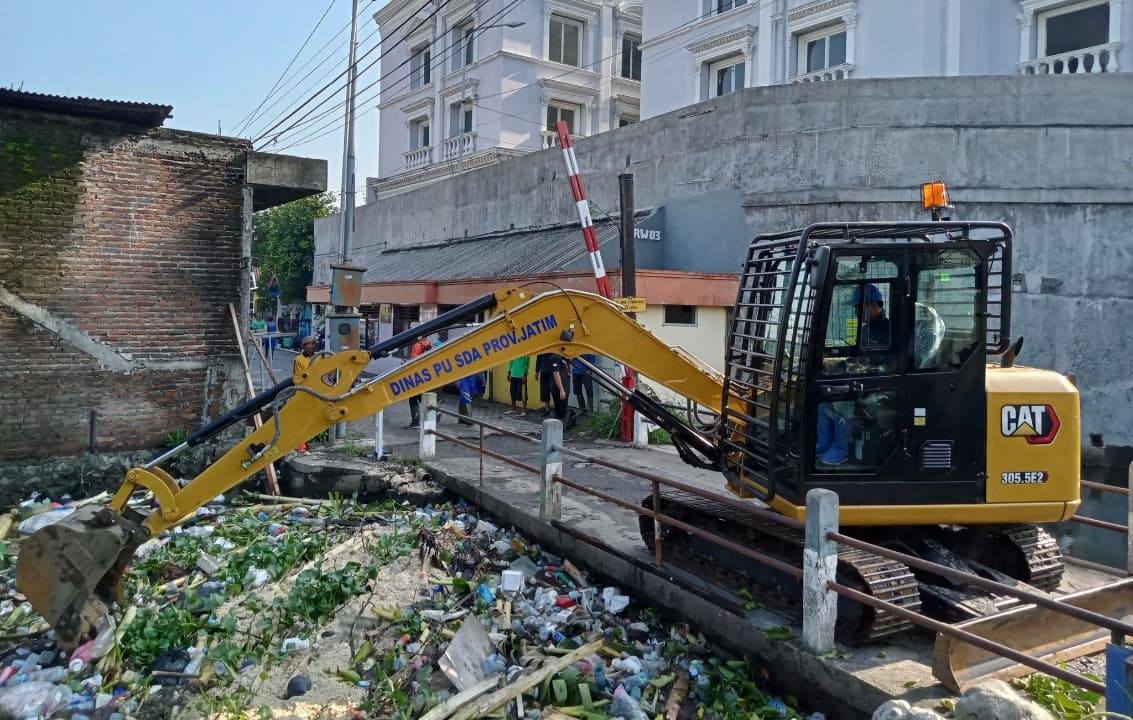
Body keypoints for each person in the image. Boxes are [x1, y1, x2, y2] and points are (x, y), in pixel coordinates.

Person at [816, 284, 891, 466]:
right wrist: (836, 363)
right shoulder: (865, 330)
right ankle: (824, 443)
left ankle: (840, 450)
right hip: (861, 377)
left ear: (873, 305)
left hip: (879, 384)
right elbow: (857, 357)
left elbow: (884, 363)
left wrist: (860, 366)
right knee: (823, 399)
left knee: (842, 400)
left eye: (859, 307)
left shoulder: (890, 330)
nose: (856, 312)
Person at [293, 336, 317, 452]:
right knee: (302, 420)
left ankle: (306, 443)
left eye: (313, 343)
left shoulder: (320, 357)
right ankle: (300, 445)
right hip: (304, 393)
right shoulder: (299, 360)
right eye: (308, 344)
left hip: (317, 392)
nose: (311, 346)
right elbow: (298, 378)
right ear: (303, 347)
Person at [406, 335, 433, 429]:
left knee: (413, 399)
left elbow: (414, 361)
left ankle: (415, 421)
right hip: (427, 375)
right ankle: (434, 414)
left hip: (417, 376)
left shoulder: (416, 346)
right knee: (423, 397)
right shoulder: (429, 344)